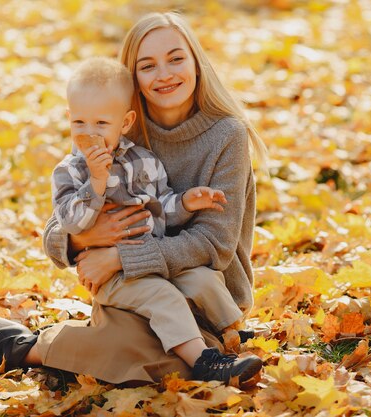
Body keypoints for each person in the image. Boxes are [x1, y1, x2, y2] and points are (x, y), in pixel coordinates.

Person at [0, 11, 267, 385]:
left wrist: (119, 255)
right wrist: (82, 240)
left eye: (176, 58)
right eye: (147, 65)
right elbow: (59, 224)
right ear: (132, 78)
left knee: (164, 364)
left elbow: (215, 244)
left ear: (196, 64)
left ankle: (28, 347)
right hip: (135, 287)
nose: (165, 74)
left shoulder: (226, 135)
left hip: (207, 290)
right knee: (156, 347)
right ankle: (28, 346)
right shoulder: (112, 125)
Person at [47, 56, 260, 381]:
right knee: (163, 297)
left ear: (126, 121)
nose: (90, 134)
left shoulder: (144, 160)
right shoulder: (69, 172)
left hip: (152, 259)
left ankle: (231, 331)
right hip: (113, 279)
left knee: (201, 279)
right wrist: (97, 182)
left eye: (101, 124)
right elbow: (69, 222)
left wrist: (186, 203)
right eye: (79, 124)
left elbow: (161, 211)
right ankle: (204, 362)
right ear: (69, 119)